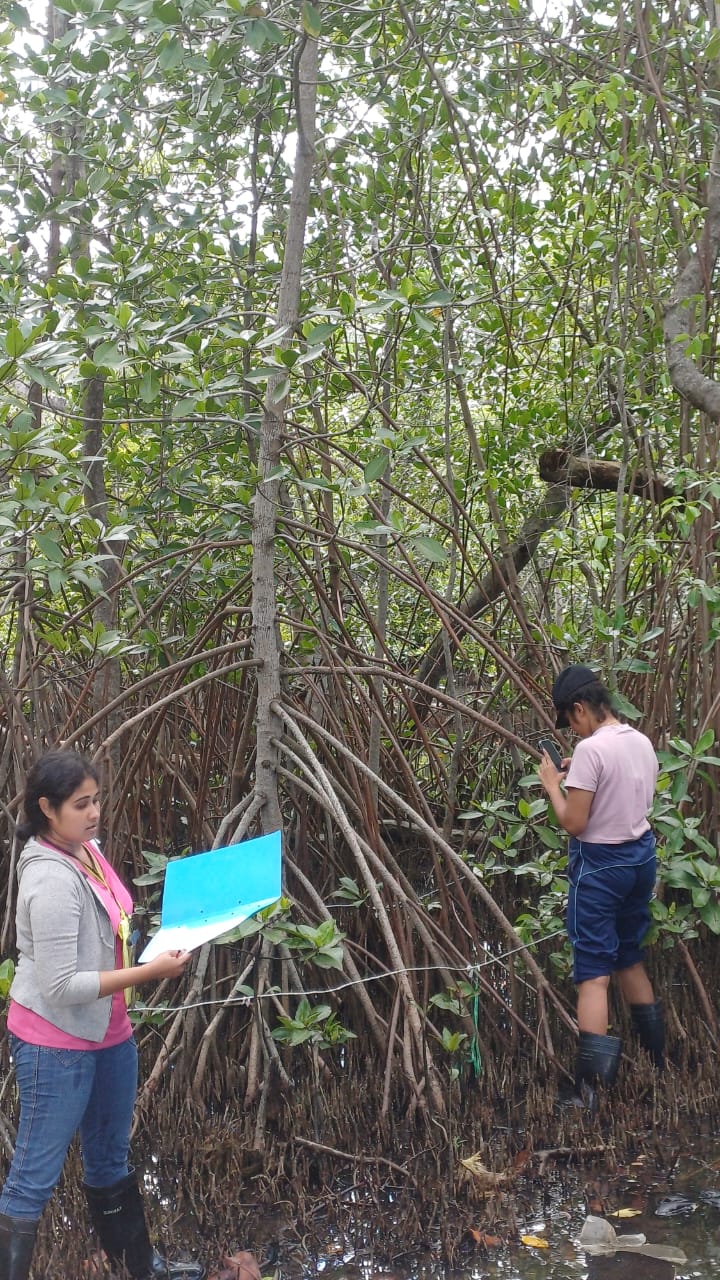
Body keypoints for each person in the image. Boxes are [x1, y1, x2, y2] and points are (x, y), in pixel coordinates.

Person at [0, 749, 207, 1280]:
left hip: (110, 1032)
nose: (94, 813)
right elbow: (61, 987)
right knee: (33, 1177)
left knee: (111, 1157)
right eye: (80, 805)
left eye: (96, 800)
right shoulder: (50, 880)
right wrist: (149, 973)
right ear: (47, 808)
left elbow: (114, 925)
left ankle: (139, 1268)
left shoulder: (87, 850)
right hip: (55, 1043)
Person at [537, 664, 664, 1107]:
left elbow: (574, 823)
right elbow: (626, 790)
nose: (572, 731)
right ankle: (657, 1061)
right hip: (641, 859)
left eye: (570, 722)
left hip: (601, 869)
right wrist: (580, 772)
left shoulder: (591, 750)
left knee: (593, 974)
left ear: (580, 709)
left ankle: (589, 1091)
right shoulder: (639, 741)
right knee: (629, 956)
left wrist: (553, 785)